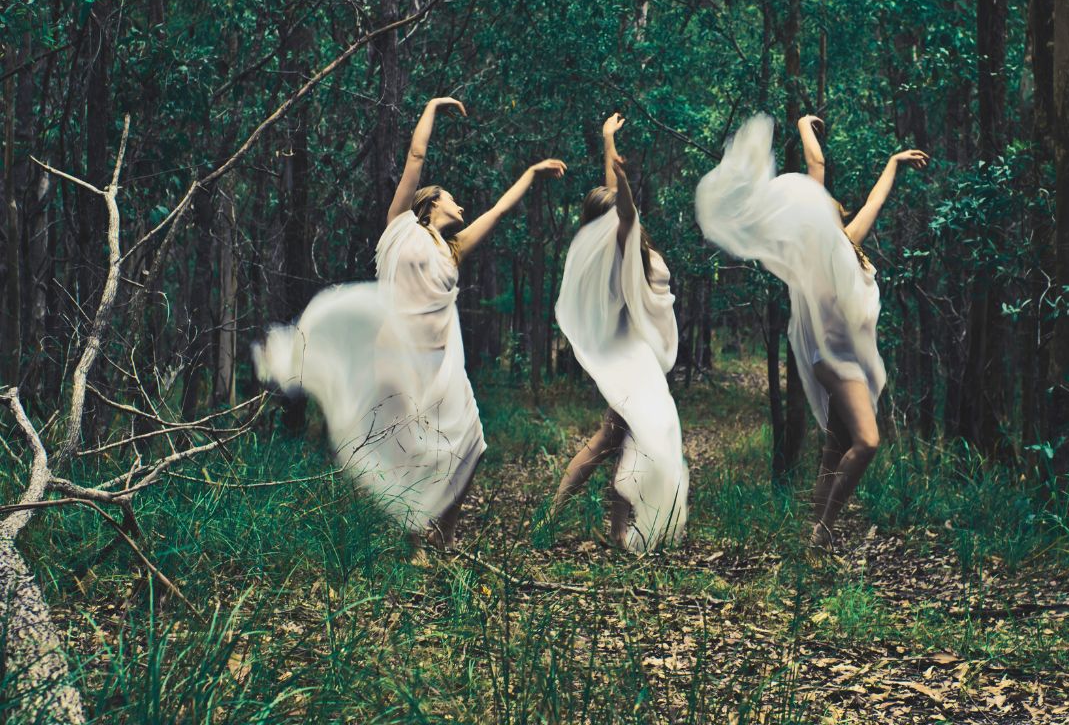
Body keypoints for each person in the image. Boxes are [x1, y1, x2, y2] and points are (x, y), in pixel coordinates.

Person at [254, 96, 565, 549]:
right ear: (431, 204)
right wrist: (433, 108)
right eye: (452, 199)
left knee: (471, 446)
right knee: (419, 451)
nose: (460, 205)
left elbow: (497, 212)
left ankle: (445, 536)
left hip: (442, 365)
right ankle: (418, 542)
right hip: (399, 358)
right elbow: (415, 157)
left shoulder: (451, 249)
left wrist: (531, 175)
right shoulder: (400, 226)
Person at [695, 112, 927, 549]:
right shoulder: (817, 251)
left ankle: (814, 539)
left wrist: (893, 164)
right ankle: (823, 531)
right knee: (868, 442)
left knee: (833, 452)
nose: (836, 208)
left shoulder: (847, 246)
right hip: (836, 361)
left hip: (848, 357)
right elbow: (816, 169)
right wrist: (803, 124)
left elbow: (874, 204)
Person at [553, 112, 688, 552]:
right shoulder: (622, 241)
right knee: (631, 436)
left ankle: (610, 528)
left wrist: (607, 138)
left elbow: (611, 190)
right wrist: (626, 184)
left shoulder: (618, 240)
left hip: (639, 353)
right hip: (631, 359)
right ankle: (558, 518)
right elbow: (624, 207)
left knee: (619, 437)